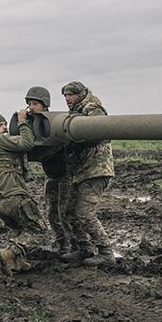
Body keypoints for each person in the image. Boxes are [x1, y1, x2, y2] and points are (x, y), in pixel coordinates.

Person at [0, 109, 49, 275]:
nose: (5, 127)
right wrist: (23, 121)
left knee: (19, 230)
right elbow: (26, 143)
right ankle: (10, 253)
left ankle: (17, 263)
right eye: (0, 125)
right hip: (12, 196)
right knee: (39, 230)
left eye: (5, 124)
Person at [60, 81, 116, 266]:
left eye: (71, 95)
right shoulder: (77, 111)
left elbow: (98, 132)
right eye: (66, 96)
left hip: (96, 169)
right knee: (69, 212)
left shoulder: (92, 109)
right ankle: (84, 249)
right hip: (82, 170)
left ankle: (106, 252)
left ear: (81, 94)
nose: (68, 99)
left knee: (85, 213)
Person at [24, 86, 73, 254]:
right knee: (52, 213)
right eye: (29, 104)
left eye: (35, 104)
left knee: (64, 212)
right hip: (50, 175)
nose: (31, 107)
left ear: (44, 105)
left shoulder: (54, 123)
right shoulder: (33, 123)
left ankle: (75, 245)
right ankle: (62, 244)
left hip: (66, 175)